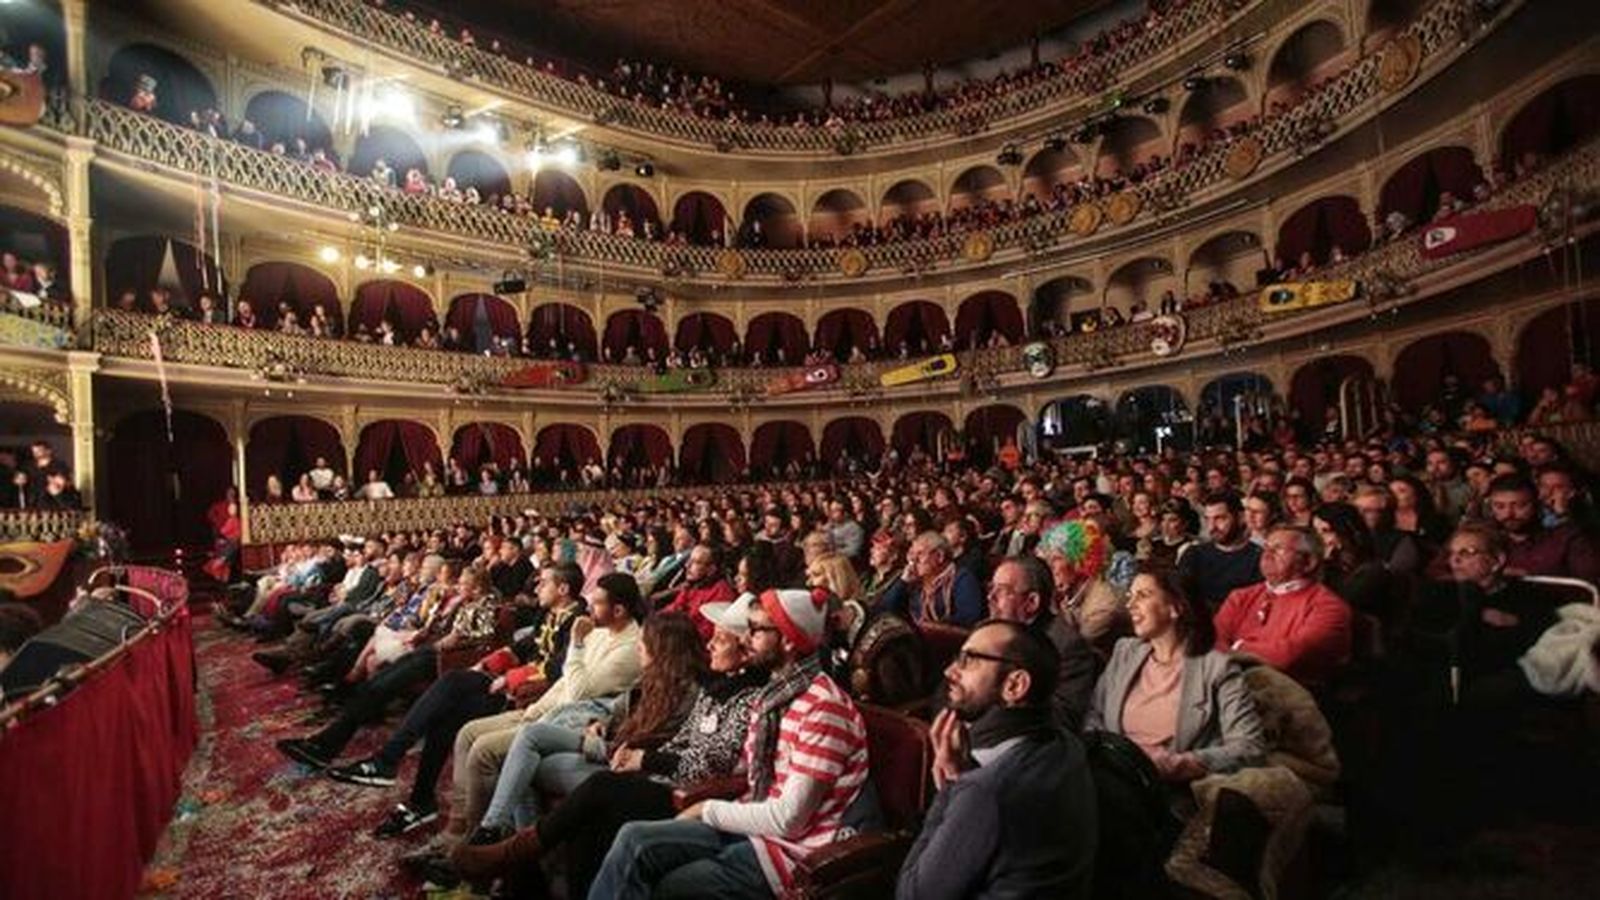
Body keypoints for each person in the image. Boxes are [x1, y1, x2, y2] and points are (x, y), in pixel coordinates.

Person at [442, 600, 769, 896]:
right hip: (642, 765)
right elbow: (679, 740)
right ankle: (521, 869)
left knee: (586, 783)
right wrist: (626, 746)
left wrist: (641, 757)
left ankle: (511, 855)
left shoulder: (740, 696)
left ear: (744, 650)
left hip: (683, 792)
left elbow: (712, 761)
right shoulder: (714, 688)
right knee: (537, 765)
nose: (710, 644)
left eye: (720, 640)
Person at [587, 588, 869, 899]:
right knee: (633, 838)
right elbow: (746, 768)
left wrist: (706, 809)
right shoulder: (775, 696)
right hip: (752, 821)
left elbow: (789, 819)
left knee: (672, 884)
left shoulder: (823, 708)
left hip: (793, 851)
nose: (745, 639)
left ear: (788, 641)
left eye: (756, 630)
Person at [416, 572, 645, 864]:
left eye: (597, 602)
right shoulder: (600, 632)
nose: (589, 607)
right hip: (548, 710)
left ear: (619, 610)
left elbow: (579, 691)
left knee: (484, 750)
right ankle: (457, 828)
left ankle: (473, 845)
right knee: (467, 733)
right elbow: (564, 682)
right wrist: (534, 710)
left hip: (570, 724)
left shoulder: (630, 647)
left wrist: (576, 644)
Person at [451, 614, 706, 871]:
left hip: (626, 766)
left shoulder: (689, 693)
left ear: (663, 649)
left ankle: (506, 846)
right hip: (607, 746)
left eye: (644, 643)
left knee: (524, 756)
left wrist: (614, 744)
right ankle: (507, 844)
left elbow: (658, 747)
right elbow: (615, 709)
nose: (639, 648)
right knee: (525, 746)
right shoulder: (651, 680)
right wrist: (600, 723)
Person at [896, 620, 1097, 899]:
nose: (949, 671)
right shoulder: (1066, 743)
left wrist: (950, 787)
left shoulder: (985, 791)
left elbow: (913, 894)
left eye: (968, 660)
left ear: (1014, 685)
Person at [1086, 567, 1264, 785]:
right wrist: (1104, 754)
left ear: (1176, 608)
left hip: (1167, 787)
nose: (1130, 604)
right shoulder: (1125, 651)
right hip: (1110, 774)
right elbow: (1094, 713)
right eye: (1130, 596)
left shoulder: (1216, 668)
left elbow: (1250, 748)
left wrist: (1178, 764)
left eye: (1143, 595)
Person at [1212, 525, 1354, 689]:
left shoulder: (1329, 607)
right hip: (1231, 683)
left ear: (1309, 562)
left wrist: (1238, 646)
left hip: (1292, 694)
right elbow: (1211, 644)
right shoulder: (1240, 597)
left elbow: (1289, 657)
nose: (1267, 554)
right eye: (1265, 548)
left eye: (1278, 549)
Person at [986, 555, 1097, 731]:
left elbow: (1064, 718)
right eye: (991, 588)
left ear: (1031, 602)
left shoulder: (1067, 647)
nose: (990, 597)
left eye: (1001, 590)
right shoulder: (988, 632)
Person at [1486, 473, 1599, 581]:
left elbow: (1588, 584)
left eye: (1520, 506)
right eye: (1500, 506)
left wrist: (1530, 578)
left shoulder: (1566, 539)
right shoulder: (1486, 541)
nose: (1509, 514)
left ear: (1537, 505)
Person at [1177, 492, 1263, 611]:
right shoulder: (1194, 555)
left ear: (1241, 518)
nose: (1212, 527)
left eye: (1220, 518)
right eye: (1208, 519)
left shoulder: (1259, 558)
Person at [881, 531, 985, 626]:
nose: (913, 560)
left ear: (939, 556)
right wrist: (903, 581)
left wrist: (931, 627)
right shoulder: (915, 581)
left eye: (920, 554)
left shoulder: (962, 578)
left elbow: (969, 618)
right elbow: (885, 610)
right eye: (912, 554)